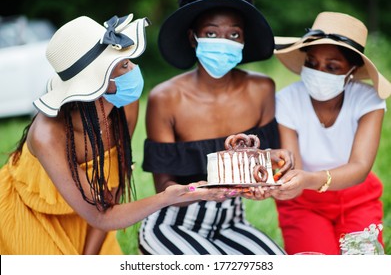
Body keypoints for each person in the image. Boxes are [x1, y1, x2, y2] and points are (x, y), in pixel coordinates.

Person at [0, 13, 229, 255]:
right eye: (124, 65)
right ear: (96, 83)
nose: (134, 68)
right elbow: (101, 216)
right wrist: (166, 198)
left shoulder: (125, 105)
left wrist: (90, 256)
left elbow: (112, 189)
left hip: (94, 217)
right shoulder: (47, 135)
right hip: (32, 214)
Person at [138, 0, 293, 255]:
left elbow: (265, 166)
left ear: (244, 41)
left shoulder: (262, 89)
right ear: (192, 38)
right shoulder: (165, 99)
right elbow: (164, 186)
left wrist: (275, 166)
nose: (223, 43)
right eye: (211, 33)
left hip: (232, 223)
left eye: (234, 34)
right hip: (173, 223)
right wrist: (199, 191)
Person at [272, 11, 391, 255]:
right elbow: (292, 163)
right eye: (312, 63)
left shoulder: (369, 100)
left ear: (352, 69)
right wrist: (287, 180)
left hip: (358, 199)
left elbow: (359, 167)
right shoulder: (286, 99)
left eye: (332, 66)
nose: (319, 72)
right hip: (303, 202)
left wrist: (308, 178)